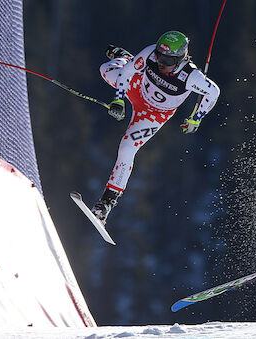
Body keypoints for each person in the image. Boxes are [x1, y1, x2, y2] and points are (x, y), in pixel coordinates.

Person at [91, 30, 220, 223]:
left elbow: (214, 92)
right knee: (105, 69)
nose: (161, 63)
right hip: (137, 88)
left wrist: (196, 118)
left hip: (153, 114)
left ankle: (106, 204)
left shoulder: (191, 76)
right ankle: (126, 58)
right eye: (159, 56)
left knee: (127, 148)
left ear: (180, 58)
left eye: (167, 61)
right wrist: (118, 100)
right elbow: (127, 73)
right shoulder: (150, 53)